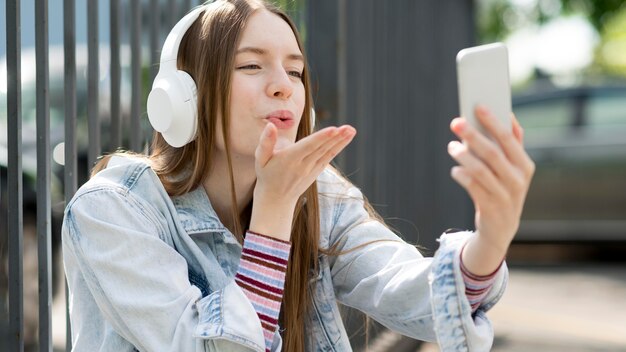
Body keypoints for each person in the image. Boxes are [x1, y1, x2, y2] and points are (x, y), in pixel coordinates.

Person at [61, 0, 535, 351]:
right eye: (251, 65)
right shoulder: (111, 211)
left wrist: (491, 237)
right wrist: (272, 213)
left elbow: (415, 295)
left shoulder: (317, 193)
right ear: (181, 95)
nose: (284, 86)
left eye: (296, 70)